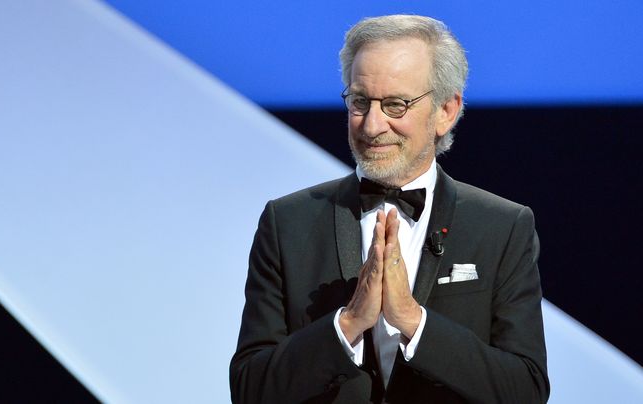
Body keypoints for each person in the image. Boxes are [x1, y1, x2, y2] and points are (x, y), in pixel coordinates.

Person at [230, 14, 549, 404]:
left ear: (446, 111)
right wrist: (347, 325)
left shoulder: (502, 227)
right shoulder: (288, 223)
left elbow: (526, 390)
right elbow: (250, 390)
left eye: (396, 105)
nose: (372, 125)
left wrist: (415, 322)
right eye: (361, 102)